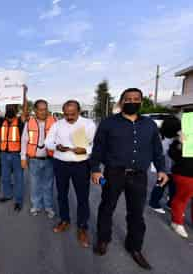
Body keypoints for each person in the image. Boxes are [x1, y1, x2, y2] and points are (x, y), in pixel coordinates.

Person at [90, 88, 168, 270]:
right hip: (114, 173)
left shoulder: (149, 125)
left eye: (136, 99)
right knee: (107, 207)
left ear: (140, 102)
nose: (132, 101)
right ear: (122, 101)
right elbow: (98, 148)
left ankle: (134, 247)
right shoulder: (109, 123)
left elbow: (157, 149)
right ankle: (103, 239)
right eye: (128, 99)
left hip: (139, 175)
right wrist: (95, 169)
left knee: (136, 214)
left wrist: (162, 170)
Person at [45, 100, 96, 247]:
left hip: (81, 164)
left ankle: (82, 227)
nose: (69, 117)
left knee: (82, 197)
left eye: (72, 114)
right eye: (66, 114)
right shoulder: (57, 124)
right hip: (61, 164)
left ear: (79, 111)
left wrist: (86, 150)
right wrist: (56, 146)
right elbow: (48, 142)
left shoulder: (88, 124)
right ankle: (64, 220)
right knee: (62, 195)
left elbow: (96, 144)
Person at [0, 85, 28, 212]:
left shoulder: (20, 120)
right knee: (5, 177)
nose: (9, 109)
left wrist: (24, 93)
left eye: (12, 107)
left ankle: (18, 201)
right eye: (8, 107)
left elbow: (25, 110)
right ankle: (7, 195)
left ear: (16, 110)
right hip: (4, 154)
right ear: (5, 110)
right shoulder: (1, 120)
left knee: (18, 179)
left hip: (16, 155)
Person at [21, 99, 56, 219]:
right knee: (35, 184)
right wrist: (23, 157)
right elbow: (24, 140)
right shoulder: (29, 122)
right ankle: (36, 205)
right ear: (35, 110)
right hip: (34, 159)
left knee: (48, 184)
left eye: (45, 109)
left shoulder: (54, 122)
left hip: (49, 159)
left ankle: (48, 206)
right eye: (40, 109)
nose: (43, 112)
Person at [168, 114, 193, 238]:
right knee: (182, 198)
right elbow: (172, 154)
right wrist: (180, 144)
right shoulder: (181, 137)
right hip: (185, 173)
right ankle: (176, 222)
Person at [149, 116, 180, 213]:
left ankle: (170, 203)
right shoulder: (162, 138)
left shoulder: (174, 138)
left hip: (174, 168)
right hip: (164, 168)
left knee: (174, 188)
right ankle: (153, 203)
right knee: (160, 186)